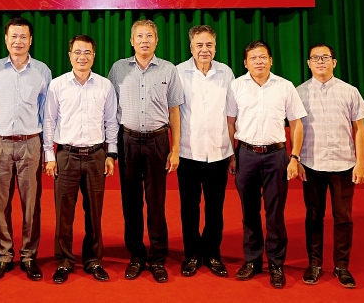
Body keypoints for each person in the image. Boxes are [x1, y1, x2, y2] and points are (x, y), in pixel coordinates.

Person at [108, 19, 184, 283]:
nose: (144, 40)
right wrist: (111, 149)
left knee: (156, 202)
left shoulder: (168, 70)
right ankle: (136, 256)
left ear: (156, 40)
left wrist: (175, 148)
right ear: (131, 41)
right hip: (127, 140)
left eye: (149, 36)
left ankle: (158, 258)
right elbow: (109, 110)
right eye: (139, 36)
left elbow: (175, 111)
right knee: (130, 202)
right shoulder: (118, 69)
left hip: (157, 141)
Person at [229, 40, 306, 289]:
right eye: (253, 58)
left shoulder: (285, 86)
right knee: (249, 212)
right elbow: (230, 122)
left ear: (271, 60)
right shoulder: (236, 86)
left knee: (275, 213)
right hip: (246, 154)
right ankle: (252, 260)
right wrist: (231, 155)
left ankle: (276, 263)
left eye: (263, 57)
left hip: (276, 156)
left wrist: (295, 157)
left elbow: (296, 123)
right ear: (245, 63)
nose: (259, 62)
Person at [43, 34, 119, 284]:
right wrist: (49, 155)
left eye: (87, 52)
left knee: (94, 212)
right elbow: (49, 121)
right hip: (66, 155)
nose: (82, 57)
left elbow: (111, 122)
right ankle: (64, 261)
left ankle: (93, 260)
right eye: (77, 52)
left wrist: (111, 154)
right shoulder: (57, 85)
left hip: (96, 155)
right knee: (64, 213)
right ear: (70, 56)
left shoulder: (105, 86)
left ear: (94, 56)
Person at [0, 17, 51, 282]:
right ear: (6, 39)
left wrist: (46, 148)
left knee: (31, 204)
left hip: (31, 143)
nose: (18, 41)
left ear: (31, 40)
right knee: (0, 204)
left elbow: (46, 113)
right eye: (13, 36)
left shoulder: (42, 71)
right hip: (0, 144)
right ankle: (4, 256)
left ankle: (29, 256)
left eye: (23, 37)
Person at [296, 44, 364, 288]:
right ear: (308, 63)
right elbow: (295, 129)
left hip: (343, 164)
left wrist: (360, 163)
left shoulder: (349, 91)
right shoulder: (299, 93)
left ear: (334, 62)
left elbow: (359, 129)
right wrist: (296, 159)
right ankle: (314, 263)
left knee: (343, 218)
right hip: (312, 164)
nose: (320, 62)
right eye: (315, 58)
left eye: (325, 57)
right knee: (313, 216)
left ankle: (342, 266)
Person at [176, 25, 237, 278]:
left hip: (218, 152)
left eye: (209, 45)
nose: (204, 50)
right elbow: (173, 114)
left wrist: (233, 152)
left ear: (215, 47)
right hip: (188, 153)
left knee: (215, 208)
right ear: (191, 47)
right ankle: (191, 254)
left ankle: (212, 253)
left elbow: (232, 115)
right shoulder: (178, 72)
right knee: (189, 208)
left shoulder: (226, 73)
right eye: (199, 45)